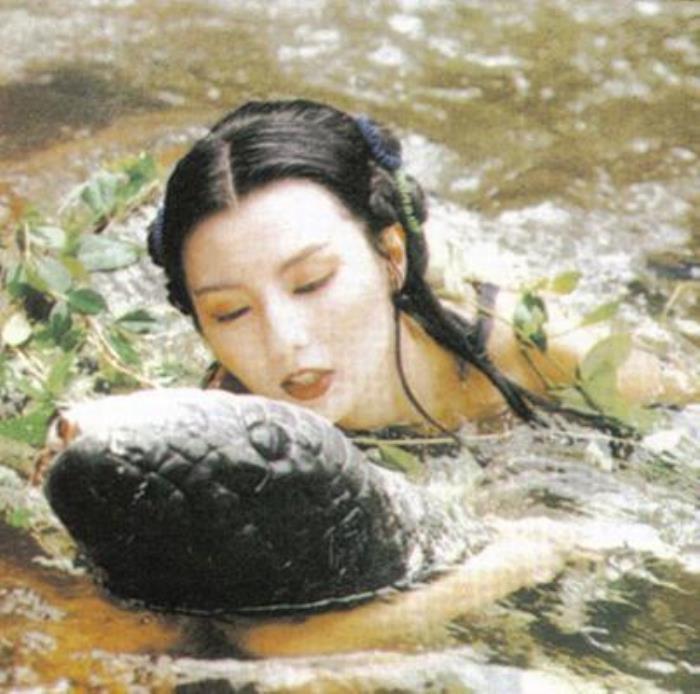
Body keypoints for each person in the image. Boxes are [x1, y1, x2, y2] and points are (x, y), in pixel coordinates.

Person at [148, 98, 691, 436]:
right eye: (230, 312)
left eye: (311, 283)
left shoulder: (541, 352)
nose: (284, 340)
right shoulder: (224, 426)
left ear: (391, 257)